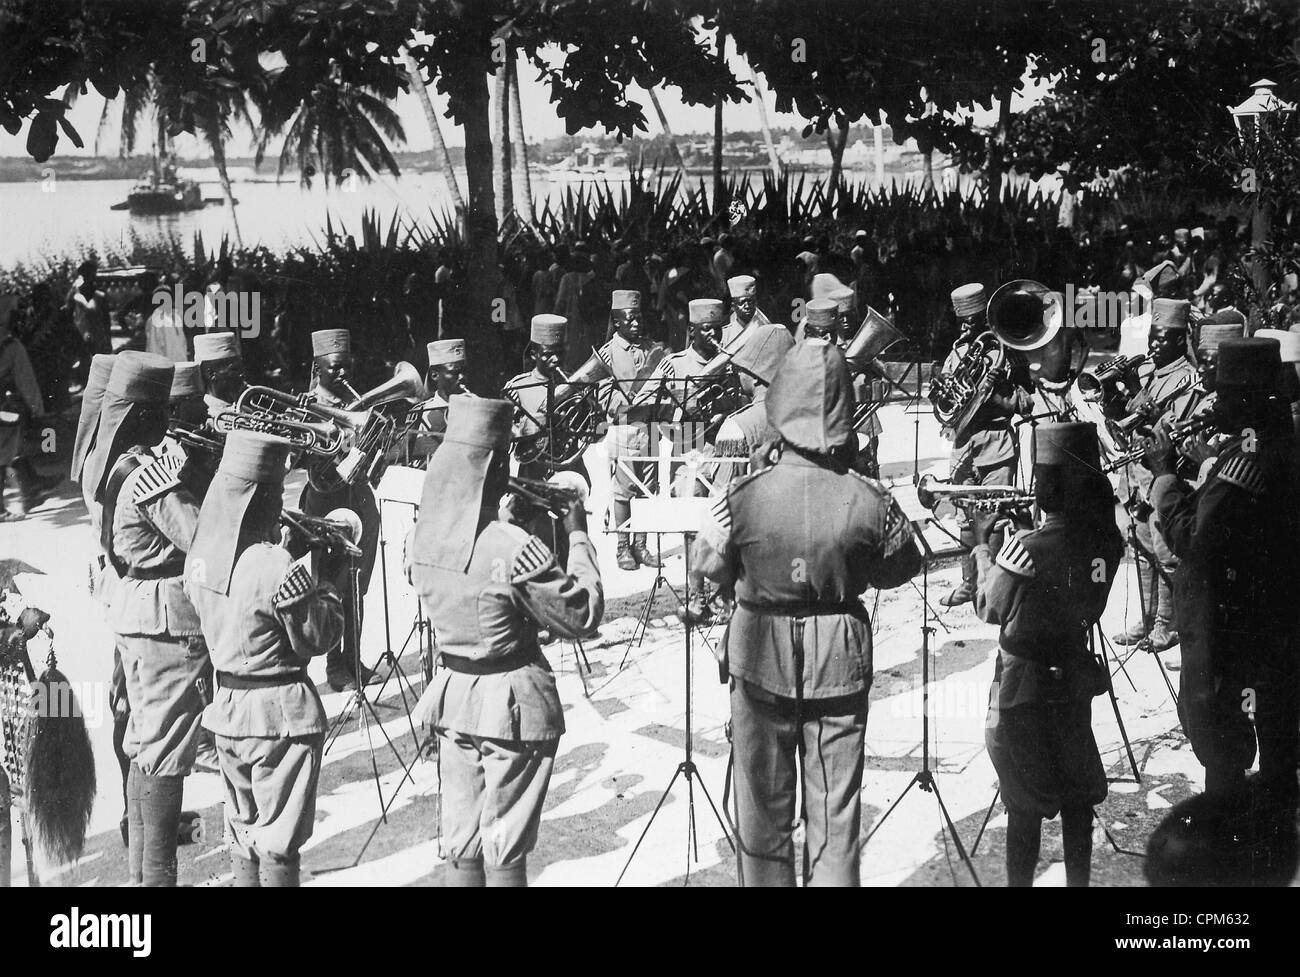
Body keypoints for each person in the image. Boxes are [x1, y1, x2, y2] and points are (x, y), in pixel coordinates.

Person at [696, 341, 922, 886]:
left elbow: (709, 566)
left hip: (758, 658)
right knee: (835, 820)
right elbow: (901, 565)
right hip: (838, 660)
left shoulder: (743, 495)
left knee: (762, 818)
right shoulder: (869, 498)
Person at [407, 396, 603, 886]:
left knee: (463, 839)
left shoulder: (422, 537)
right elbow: (580, 614)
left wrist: (504, 521)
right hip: (511, 703)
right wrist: (576, 535)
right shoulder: (513, 547)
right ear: (495, 464)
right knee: (506, 845)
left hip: (454, 696)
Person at [184, 431, 346, 887]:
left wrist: (282, 558)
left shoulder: (201, 559)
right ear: (261, 497)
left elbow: (244, 604)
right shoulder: (274, 565)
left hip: (228, 711)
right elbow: (318, 637)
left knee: (243, 829)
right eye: (275, 493)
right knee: (279, 839)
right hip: (279, 716)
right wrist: (328, 580)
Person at [1147, 337, 1300, 803]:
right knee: (1277, 724)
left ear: (1251, 400)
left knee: (1221, 735)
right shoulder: (1277, 440)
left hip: (1236, 621)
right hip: (1276, 613)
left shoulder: (1245, 459)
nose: (1215, 403)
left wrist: (1164, 473)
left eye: (1227, 395)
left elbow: (1193, 538)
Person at [973, 421, 1123, 886]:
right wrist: (1032, 532)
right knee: (1077, 796)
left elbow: (989, 607)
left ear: (1046, 487)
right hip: (1074, 677)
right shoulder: (1106, 544)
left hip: (1024, 688)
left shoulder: (1023, 550)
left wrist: (985, 546)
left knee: (1024, 802)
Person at [99, 353, 215, 886]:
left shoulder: (117, 465)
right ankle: (158, 880)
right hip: (165, 625)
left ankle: (143, 879)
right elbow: (202, 542)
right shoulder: (150, 475)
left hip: (133, 617)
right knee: (166, 755)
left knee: (145, 750)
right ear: (148, 416)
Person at [936, 283, 1034, 607]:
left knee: (993, 515)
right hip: (964, 443)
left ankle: (992, 587)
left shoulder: (1008, 349)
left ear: (985, 316)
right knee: (965, 513)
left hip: (996, 442)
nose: (966, 327)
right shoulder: (957, 351)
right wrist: (941, 393)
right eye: (962, 320)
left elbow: (1026, 401)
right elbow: (950, 402)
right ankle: (968, 583)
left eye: (973, 320)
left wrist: (999, 397)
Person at [1112, 298, 1202, 651]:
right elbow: (1127, 421)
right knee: (1141, 549)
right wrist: (1113, 401)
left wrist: (1136, 392)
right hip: (1137, 476)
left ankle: (1170, 622)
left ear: (1180, 341)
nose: (1153, 344)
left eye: (1162, 339)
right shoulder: (1149, 372)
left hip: (1161, 477)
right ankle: (1148, 618)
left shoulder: (1187, 378)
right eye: (1152, 337)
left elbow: (1172, 430)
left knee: (1166, 553)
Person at [299, 328, 379, 693]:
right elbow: (295, 458)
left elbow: (375, 457)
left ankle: (354, 658)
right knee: (333, 583)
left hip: (359, 499)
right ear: (317, 369)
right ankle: (335, 666)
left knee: (358, 584)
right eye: (335, 368)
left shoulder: (358, 403)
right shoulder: (305, 404)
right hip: (325, 501)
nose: (343, 374)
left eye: (347, 366)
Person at [504, 314, 591, 568]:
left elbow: (592, 430)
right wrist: (528, 428)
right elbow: (505, 433)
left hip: (569, 469)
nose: (555, 360)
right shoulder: (518, 387)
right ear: (533, 353)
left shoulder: (574, 383)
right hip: (534, 472)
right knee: (537, 541)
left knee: (571, 541)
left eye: (559, 353)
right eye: (547, 354)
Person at [598, 289, 664, 571]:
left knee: (647, 489)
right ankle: (623, 547)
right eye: (630, 319)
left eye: (639, 318)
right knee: (624, 491)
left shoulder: (652, 350)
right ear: (616, 322)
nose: (636, 323)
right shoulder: (607, 354)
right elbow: (604, 398)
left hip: (649, 429)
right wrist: (629, 404)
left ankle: (641, 545)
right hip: (624, 429)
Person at [0, 293, 47, 522]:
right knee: (5, 453)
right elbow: (27, 382)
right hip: (4, 407)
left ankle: (32, 488)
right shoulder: (11, 345)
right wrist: (38, 409)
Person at [407, 338, 470, 466]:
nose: (462, 377)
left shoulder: (475, 407)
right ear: (435, 375)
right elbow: (413, 461)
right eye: (454, 372)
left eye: (464, 371)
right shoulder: (422, 413)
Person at [192, 332, 247, 407]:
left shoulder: (244, 409)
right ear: (211, 374)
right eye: (234, 370)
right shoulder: (206, 414)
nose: (242, 375)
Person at [721, 274, 770, 349]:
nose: (747, 306)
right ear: (733, 306)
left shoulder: (766, 330)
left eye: (751, 301)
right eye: (742, 303)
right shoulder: (725, 334)